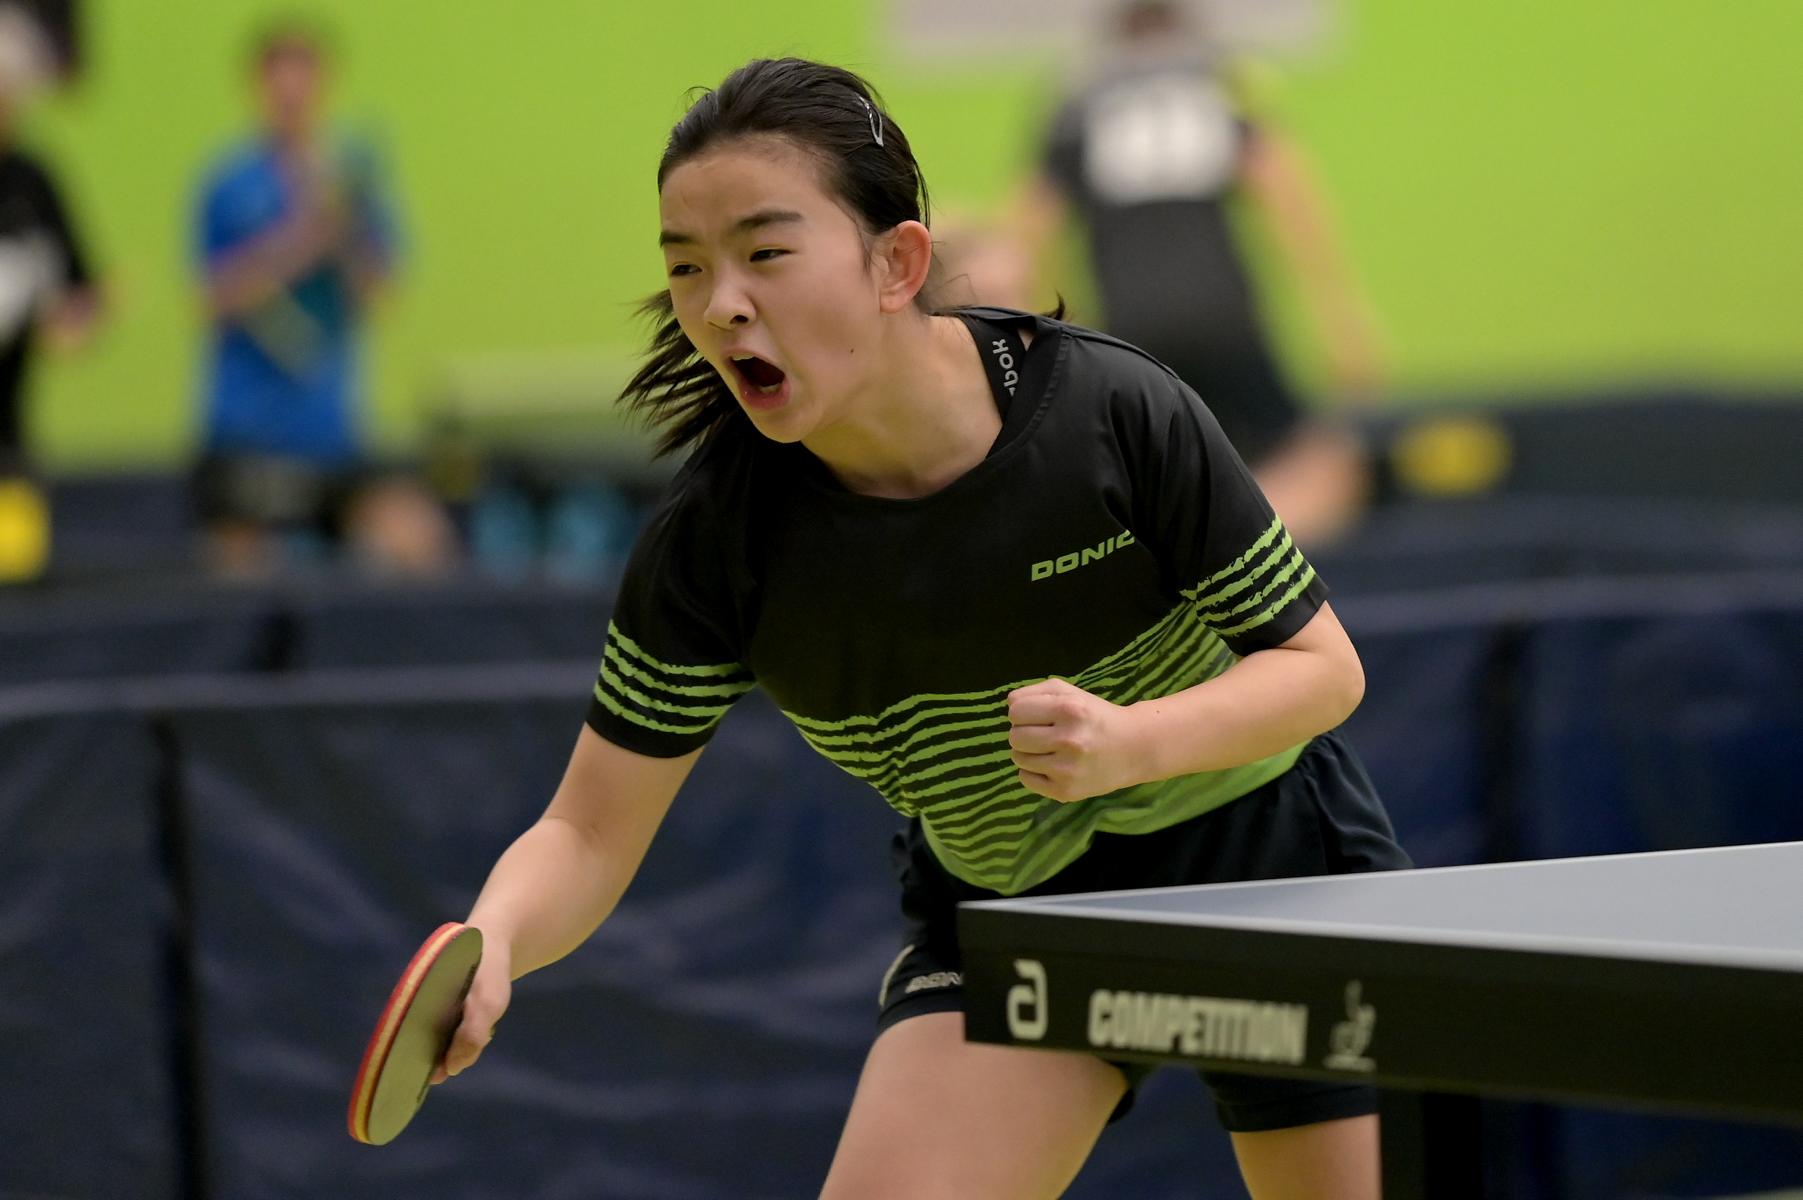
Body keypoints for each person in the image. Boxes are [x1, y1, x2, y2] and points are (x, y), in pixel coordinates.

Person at [433, 57, 1409, 1200]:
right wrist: (496, 939)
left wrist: (1130, 743)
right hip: (1016, 908)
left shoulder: (1108, 414)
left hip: (1266, 864)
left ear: (897, 263)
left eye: (764, 253)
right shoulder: (717, 545)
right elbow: (589, 830)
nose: (721, 303)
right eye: (686, 267)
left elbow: (1322, 670)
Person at [1015, 0, 1383, 547]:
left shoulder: (1075, 97)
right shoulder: (1219, 80)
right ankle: (1259, 555)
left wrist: (1039, 335)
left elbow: (1029, 227)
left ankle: (1188, 555)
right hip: (1225, 314)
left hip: (1131, 326)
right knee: (1315, 456)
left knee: (1144, 467)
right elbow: (1282, 185)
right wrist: (1339, 312)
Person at [192, 17, 453, 578]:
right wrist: (297, 242)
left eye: (304, 77)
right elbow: (213, 298)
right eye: (279, 79)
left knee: (419, 539)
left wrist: (345, 230)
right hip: (246, 436)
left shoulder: (351, 181)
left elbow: (381, 290)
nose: (292, 94)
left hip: (331, 436)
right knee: (239, 575)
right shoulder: (228, 183)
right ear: (258, 85)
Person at [0, 3, 99, 584]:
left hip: (11, 448)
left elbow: (80, 291)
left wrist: (74, 320)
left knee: (15, 588)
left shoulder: (35, 182)